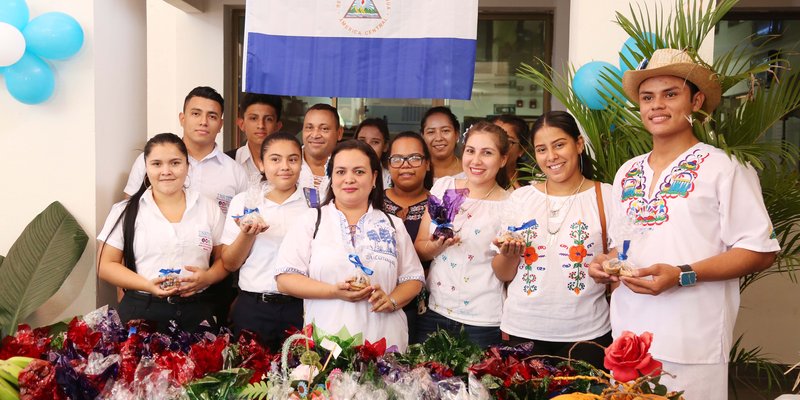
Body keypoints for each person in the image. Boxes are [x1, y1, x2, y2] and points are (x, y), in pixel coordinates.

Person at [587, 48, 779, 398]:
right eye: (647, 97)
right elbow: (625, 245)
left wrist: (682, 274)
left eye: (670, 94)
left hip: (693, 341)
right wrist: (604, 263)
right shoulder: (628, 171)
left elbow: (760, 250)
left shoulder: (725, 167)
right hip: (628, 341)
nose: (657, 105)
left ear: (696, 101)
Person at [275, 140, 425, 351]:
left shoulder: (393, 225)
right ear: (331, 178)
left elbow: (413, 279)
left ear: (374, 178)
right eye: (341, 172)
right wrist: (333, 291)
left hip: (383, 343)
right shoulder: (311, 221)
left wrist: (391, 300)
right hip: (326, 346)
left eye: (359, 171)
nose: (349, 179)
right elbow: (285, 279)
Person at [492, 111, 612, 369]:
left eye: (559, 145)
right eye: (542, 149)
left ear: (578, 144)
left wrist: (608, 265)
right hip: (523, 328)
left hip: (587, 332)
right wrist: (509, 254)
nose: (551, 156)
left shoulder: (607, 196)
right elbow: (503, 274)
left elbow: (621, 258)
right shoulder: (521, 198)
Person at [98, 133, 227, 333]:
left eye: (175, 163)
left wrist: (207, 278)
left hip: (197, 311)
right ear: (146, 168)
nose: (166, 171)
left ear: (187, 166)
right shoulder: (126, 210)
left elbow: (225, 261)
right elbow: (106, 265)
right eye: (157, 164)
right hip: (142, 311)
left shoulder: (208, 207)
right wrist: (148, 285)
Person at [414, 121, 511, 348]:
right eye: (470, 151)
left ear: (503, 159)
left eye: (487, 153)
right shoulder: (444, 187)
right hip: (434, 311)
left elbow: (506, 274)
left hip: (483, 321)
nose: (476, 161)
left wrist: (509, 253)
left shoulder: (510, 204)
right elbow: (420, 248)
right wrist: (437, 246)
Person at [221, 132, 307, 350]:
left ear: (301, 163)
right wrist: (247, 234)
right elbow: (229, 263)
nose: (285, 166)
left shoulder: (314, 205)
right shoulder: (245, 202)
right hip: (253, 306)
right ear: (261, 163)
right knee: (251, 380)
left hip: (302, 306)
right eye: (275, 159)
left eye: (293, 159)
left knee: (301, 378)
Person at [123, 86, 248, 216]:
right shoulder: (151, 160)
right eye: (196, 114)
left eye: (212, 116)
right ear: (182, 119)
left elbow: (243, 220)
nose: (203, 122)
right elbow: (129, 211)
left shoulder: (235, 172)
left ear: (220, 125)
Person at [382, 131, 434, 343]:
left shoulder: (440, 205)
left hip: (424, 309)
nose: (405, 165)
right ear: (388, 165)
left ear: (427, 164)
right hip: (376, 303)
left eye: (414, 158)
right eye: (397, 159)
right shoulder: (371, 202)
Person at [226, 93, 284, 180]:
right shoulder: (227, 162)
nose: (261, 125)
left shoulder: (290, 163)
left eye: (268, 119)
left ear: (277, 126)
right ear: (241, 124)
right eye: (253, 118)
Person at [299, 103, 344, 206]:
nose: (315, 135)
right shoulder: (286, 163)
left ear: (339, 133)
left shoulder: (348, 167)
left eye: (324, 129)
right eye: (309, 128)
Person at [420, 106, 465, 181]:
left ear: (457, 134)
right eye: (431, 132)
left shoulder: (470, 172)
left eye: (445, 131)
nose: (439, 138)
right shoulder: (416, 172)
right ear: (423, 136)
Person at [490, 114, 531, 189]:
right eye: (493, 139)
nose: (497, 146)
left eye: (508, 141)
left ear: (521, 150)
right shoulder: (469, 180)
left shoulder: (534, 185)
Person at [355, 118, 392, 188]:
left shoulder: (392, 180)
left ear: (385, 146)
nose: (367, 146)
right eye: (362, 141)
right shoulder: (343, 175)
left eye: (375, 142)